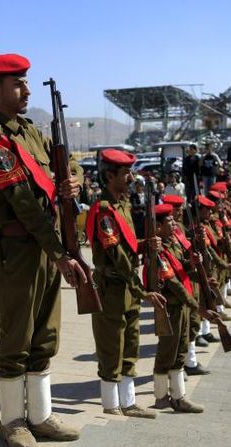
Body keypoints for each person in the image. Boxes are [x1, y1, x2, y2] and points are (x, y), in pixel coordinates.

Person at [0, 53, 84, 447]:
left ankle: (40, 415)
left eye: (26, 82)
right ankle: (12, 421)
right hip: (20, 249)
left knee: (45, 334)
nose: (27, 90)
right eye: (17, 83)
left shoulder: (31, 132)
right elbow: (23, 203)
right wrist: (58, 252)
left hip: (46, 245)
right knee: (16, 338)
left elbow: (70, 163)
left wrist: (72, 180)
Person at [86, 148, 166, 419]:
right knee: (112, 344)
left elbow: (128, 247)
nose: (131, 177)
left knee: (131, 341)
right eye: (126, 172)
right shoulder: (104, 210)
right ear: (110, 175)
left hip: (127, 285)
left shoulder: (124, 205)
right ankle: (111, 404)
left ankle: (128, 402)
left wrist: (146, 244)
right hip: (113, 287)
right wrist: (140, 288)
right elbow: (116, 254)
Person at [150, 203, 204, 413]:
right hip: (170, 307)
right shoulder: (158, 252)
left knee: (180, 350)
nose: (174, 224)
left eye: (173, 219)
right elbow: (173, 282)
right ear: (158, 227)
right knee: (167, 351)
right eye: (169, 221)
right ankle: (161, 396)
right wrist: (196, 305)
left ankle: (179, 396)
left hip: (181, 306)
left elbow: (182, 268)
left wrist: (192, 262)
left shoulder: (173, 244)